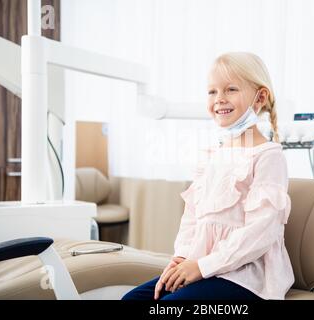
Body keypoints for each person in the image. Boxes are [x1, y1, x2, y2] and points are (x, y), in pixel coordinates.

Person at [122, 52, 294, 300]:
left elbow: (260, 233)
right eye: (212, 92)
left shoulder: (268, 156)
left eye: (231, 89)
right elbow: (192, 217)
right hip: (201, 267)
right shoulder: (212, 155)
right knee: (131, 300)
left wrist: (202, 267)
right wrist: (182, 257)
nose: (219, 99)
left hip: (245, 276)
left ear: (261, 96)